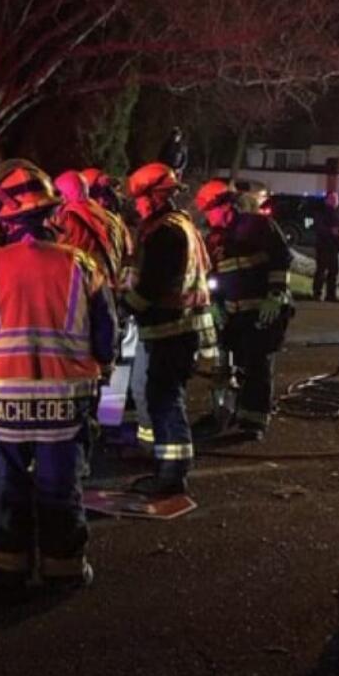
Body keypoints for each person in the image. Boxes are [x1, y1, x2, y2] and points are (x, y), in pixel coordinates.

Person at [0, 159, 116, 588]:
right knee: (61, 487)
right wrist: (100, 380)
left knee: (8, 488)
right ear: (49, 212)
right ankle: (64, 569)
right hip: (66, 402)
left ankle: (8, 572)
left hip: (0, 406)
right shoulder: (83, 265)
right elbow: (106, 336)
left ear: (6, 216)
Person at [124, 162, 216, 496]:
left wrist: (124, 309)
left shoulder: (166, 232)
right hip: (176, 330)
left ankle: (173, 474)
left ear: (154, 196)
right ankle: (168, 468)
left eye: (139, 198)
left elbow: (151, 286)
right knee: (162, 397)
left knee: (165, 400)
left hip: (170, 331)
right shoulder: (182, 226)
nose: (136, 205)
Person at [193, 179, 294, 442]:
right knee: (226, 365)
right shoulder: (214, 239)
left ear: (225, 206)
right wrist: (214, 304)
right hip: (231, 311)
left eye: (210, 211)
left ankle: (253, 420)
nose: (209, 217)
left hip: (262, 310)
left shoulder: (259, 225)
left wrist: (275, 295)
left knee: (257, 365)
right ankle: (224, 413)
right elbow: (210, 275)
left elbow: (281, 260)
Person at [48, 170, 127, 288]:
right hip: (105, 284)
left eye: (57, 193)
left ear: (64, 194)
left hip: (83, 287)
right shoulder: (104, 215)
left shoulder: (68, 218)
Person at [312, 191, 339, 303]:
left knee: (334, 272)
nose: (334, 200)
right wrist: (330, 231)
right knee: (321, 270)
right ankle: (317, 293)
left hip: (338, 247)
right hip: (324, 245)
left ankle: (331, 295)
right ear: (327, 200)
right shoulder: (321, 211)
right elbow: (318, 227)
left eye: (336, 198)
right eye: (332, 198)